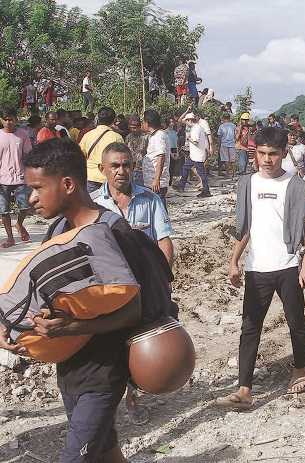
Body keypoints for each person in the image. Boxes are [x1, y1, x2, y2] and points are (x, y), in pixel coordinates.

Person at [1, 138, 144, 462]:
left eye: (38, 188)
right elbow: (48, 296)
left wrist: (72, 327)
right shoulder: (58, 230)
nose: (31, 198)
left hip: (104, 372)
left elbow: (134, 308)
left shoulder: (111, 229)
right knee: (106, 453)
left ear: (67, 184)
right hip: (71, 370)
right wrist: (14, 329)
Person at [217, 127, 305, 409]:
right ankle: (244, 389)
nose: (266, 159)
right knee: (250, 327)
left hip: (288, 265)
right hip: (256, 268)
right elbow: (247, 227)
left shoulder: (296, 185)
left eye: (272, 154)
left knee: (296, 321)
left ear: (283, 153)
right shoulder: (248, 183)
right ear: (255, 154)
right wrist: (234, 260)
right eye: (261, 153)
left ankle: (300, 370)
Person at [91, 142, 175, 425]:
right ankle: (106, 402)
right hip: (106, 291)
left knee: (139, 343)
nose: (121, 170)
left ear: (134, 167)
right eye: (114, 165)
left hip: (144, 289)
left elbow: (164, 242)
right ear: (103, 169)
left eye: (126, 164)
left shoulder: (150, 200)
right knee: (107, 345)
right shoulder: (92, 205)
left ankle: (132, 398)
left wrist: (164, 281)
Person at [0, 109, 33, 248]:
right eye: (6, 119)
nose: (9, 122)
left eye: (11, 119)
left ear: (16, 119)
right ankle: (10, 238)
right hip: (2, 180)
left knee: (25, 206)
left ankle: (19, 224)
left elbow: (28, 155)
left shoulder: (22, 135)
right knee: (4, 210)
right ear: (1, 120)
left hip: (20, 178)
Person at [81, 107, 124, 193]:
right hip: (109, 178)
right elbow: (121, 159)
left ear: (98, 118)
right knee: (109, 205)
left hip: (90, 177)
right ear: (114, 120)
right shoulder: (116, 137)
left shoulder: (87, 135)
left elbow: (80, 155)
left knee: (91, 205)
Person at [177, 112, 211, 197]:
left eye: (186, 121)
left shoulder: (196, 129)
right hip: (194, 154)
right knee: (185, 168)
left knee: (201, 173)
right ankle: (181, 185)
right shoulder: (197, 127)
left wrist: (189, 139)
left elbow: (195, 141)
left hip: (197, 155)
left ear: (189, 120)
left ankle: (206, 190)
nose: (186, 123)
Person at [141, 110, 170, 205]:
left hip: (157, 182)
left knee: (159, 208)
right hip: (151, 180)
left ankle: (163, 220)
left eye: (143, 121)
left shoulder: (159, 136)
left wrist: (156, 179)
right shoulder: (153, 136)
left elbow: (161, 157)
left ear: (147, 123)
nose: (142, 124)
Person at [125, 115, 148, 187]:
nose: (133, 130)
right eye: (131, 128)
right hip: (130, 169)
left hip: (141, 170)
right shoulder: (128, 137)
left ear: (139, 126)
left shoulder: (145, 137)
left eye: (135, 128)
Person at [216, 113, 237, 177]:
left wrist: (218, 146)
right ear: (229, 118)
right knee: (232, 160)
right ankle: (233, 173)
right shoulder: (233, 126)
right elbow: (235, 135)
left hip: (224, 144)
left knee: (226, 160)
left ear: (223, 118)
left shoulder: (221, 126)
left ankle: (228, 174)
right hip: (232, 144)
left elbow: (219, 137)